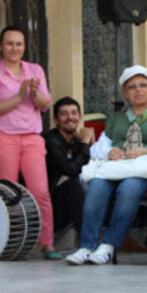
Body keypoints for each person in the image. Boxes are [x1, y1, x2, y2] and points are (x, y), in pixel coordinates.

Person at [66, 65, 147, 265]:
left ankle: (108, 245)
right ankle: (86, 246)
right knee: (97, 185)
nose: (138, 90)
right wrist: (109, 152)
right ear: (125, 93)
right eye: (132, 87)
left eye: (143, 85)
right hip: (117, 168)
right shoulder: (117, 119)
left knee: (130, 186)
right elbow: (98, 148)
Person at [0, 25, 60, 260]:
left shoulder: (35, 70)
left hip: (32, 137)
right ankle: (9, 242)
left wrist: (33, 94)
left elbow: (45, 105)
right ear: (0, 46)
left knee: (40, 191)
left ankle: (47, 244)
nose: (14, 48)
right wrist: (19, 95)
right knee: (8, 192)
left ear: (25, 47)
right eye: (9, 43)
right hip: (3, 136)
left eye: (19, 44)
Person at [44, 97, 94, 235]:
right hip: (52, 205)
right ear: (55, 119)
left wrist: (89, 145)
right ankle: (88, 240)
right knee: (72, 185)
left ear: (80, 117)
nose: (70, 117)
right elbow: (71, 170)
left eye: (73, 113)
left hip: (73, 202)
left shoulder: (76, 141)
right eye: (64, 114)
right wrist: (85, 143)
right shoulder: (50, 141)